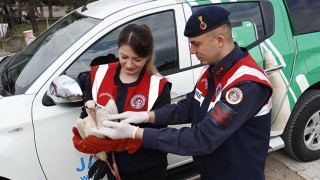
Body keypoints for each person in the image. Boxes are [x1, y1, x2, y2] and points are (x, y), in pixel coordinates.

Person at [93, 6, 273, 180]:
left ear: (219, 41)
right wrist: (146, 116)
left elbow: (201, 138)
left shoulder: (245, 85)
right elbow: (188, 107)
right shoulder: (213, 69)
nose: (191, 51)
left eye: (196, 44)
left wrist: (135, 133)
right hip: (213, 171)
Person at [72, 24, 171, 180]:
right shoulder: (98, 75)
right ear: (118, 49)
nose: (130, 65)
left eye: (137, 59)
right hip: (113, 166)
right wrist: (87, 138)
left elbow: (158, 134)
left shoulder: (157, 86)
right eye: (124, 57)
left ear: (148, 56)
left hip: (147, 168)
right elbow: (87, 113)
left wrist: (117, 143)